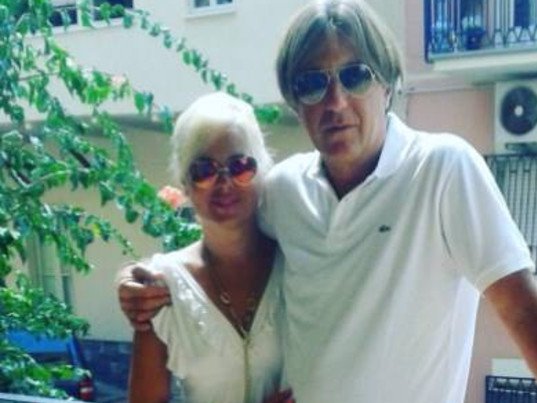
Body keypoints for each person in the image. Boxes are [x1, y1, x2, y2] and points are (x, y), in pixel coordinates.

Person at [118, 1, 537, 402]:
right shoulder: (284, 192)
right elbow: (224, 242)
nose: (335, 102)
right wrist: (138, 282)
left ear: (387, 85)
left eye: (355, 76)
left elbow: (521, 310)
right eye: (312, 84)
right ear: (295, 104)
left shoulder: (442, 169)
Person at [125, 92, 293, 403]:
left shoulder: (296, 262)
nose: (224, 183)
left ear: (260, 173)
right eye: (204, 171)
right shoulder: (163, 287)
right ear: (185, 184)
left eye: (240, 166)